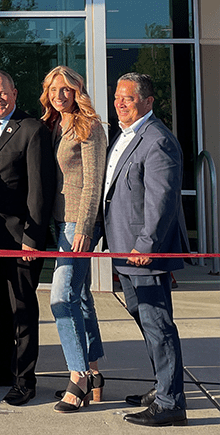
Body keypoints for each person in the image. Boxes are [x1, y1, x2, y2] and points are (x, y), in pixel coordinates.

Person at [104, 72, 189, 427]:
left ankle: (171, 402)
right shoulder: (125, 136)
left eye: (129, 97)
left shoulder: (156, 140)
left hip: (143, 253)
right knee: (146, 322)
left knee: (158, 325)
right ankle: (163, 385)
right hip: (124, 252)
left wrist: (147, 245)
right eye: (117, 97)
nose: (120, 103)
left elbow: (162, 200)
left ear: (148, 102)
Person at [0, 69, 55, 406]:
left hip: (20, 240)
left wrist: (32, 237)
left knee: (21, 309)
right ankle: (0, 367)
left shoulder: (31, 129)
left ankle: (24, 378)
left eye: (2, 93)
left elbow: (39, 190)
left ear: (15, 94)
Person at [39, 65, 107, 412]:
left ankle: (77, 376)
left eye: (65, 89)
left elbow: (94, 181)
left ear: (77, 91)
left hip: (77, 225)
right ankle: (94, 371)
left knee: (60, 298)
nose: (59, 95)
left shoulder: (89, 126)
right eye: (53, 90)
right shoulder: (52, 125)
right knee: (80, 297)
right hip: (57, 222)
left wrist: (84, 227)